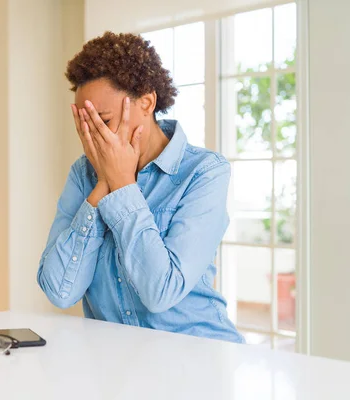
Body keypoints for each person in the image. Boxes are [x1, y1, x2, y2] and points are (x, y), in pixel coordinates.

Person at [37, 32, 244, 343]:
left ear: (147, 102)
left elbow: (161, 292)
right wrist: (102, 187)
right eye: (84, 124)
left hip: (198, 360)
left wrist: (122, 186)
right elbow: (59, 291)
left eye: (102, 121)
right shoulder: (84, 174)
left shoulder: (204, 172)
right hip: (119, 367)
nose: (91, 136)